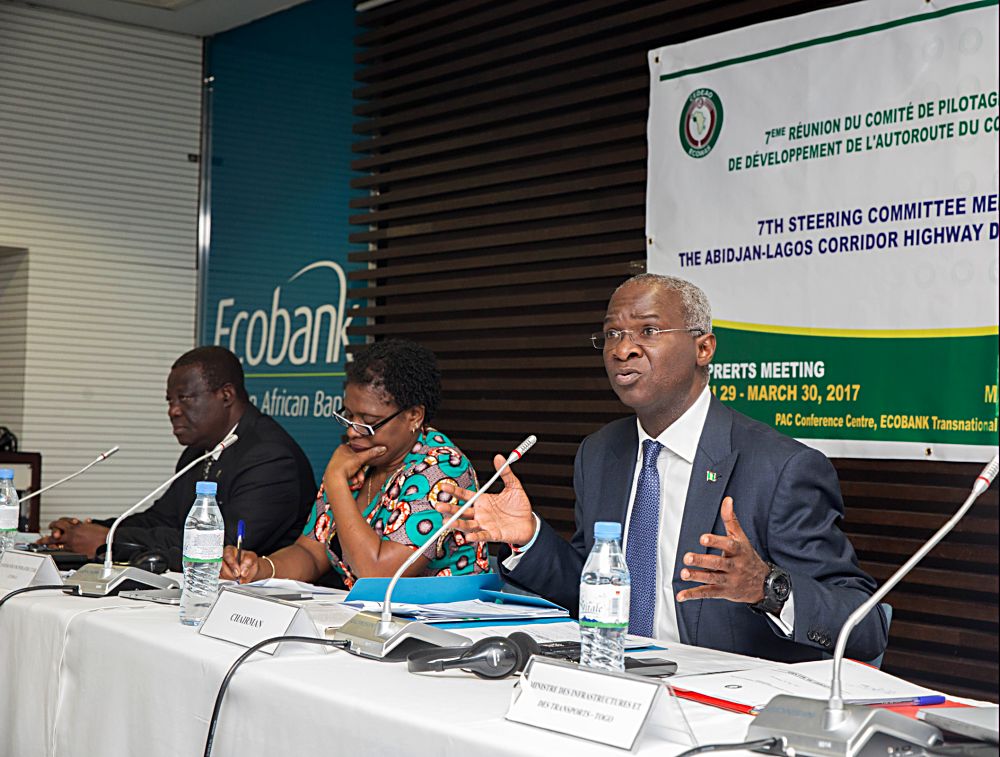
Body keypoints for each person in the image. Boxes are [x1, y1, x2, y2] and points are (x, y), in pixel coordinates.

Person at [438, 274, 887, 663]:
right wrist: (531, 539)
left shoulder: (781, 467)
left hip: (722, 702)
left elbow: (865, 625)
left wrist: (765, 587)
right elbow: (592, 589)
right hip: (612, 682)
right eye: (611, 335)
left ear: (703, 348)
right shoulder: (600, 453)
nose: (623, 350)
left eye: (648, 331)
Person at [222, 339, 489, 587]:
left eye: (370, 422)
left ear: (414, 416)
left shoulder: (442, 470)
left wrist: (336, 481)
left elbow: (377, 575)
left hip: (444, 627)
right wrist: (261, 569)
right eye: (349, 415)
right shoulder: (358, 459)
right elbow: (311, 553)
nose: (353, 431)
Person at [39, 346, 316, 571]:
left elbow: (224, 545)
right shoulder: (198, 450)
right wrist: (94, 529)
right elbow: (163, 519)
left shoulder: (271, 458)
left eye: (184, 399)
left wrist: (110, 540)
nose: (173, 411)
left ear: (226, 395)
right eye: (170, 401)